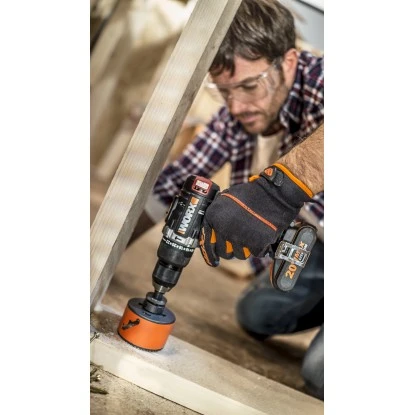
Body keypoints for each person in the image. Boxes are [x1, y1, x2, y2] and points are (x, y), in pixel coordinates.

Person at [129, 0, 324, 400]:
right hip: (320, 247)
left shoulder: (325, 82)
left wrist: (277, 190)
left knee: (322, 372)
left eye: (249, 86)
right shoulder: (239, 115)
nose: (236, 106)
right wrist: (94, 258)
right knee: (256, 314)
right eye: (225, 91)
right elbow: (171, 188)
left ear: (288, 62)